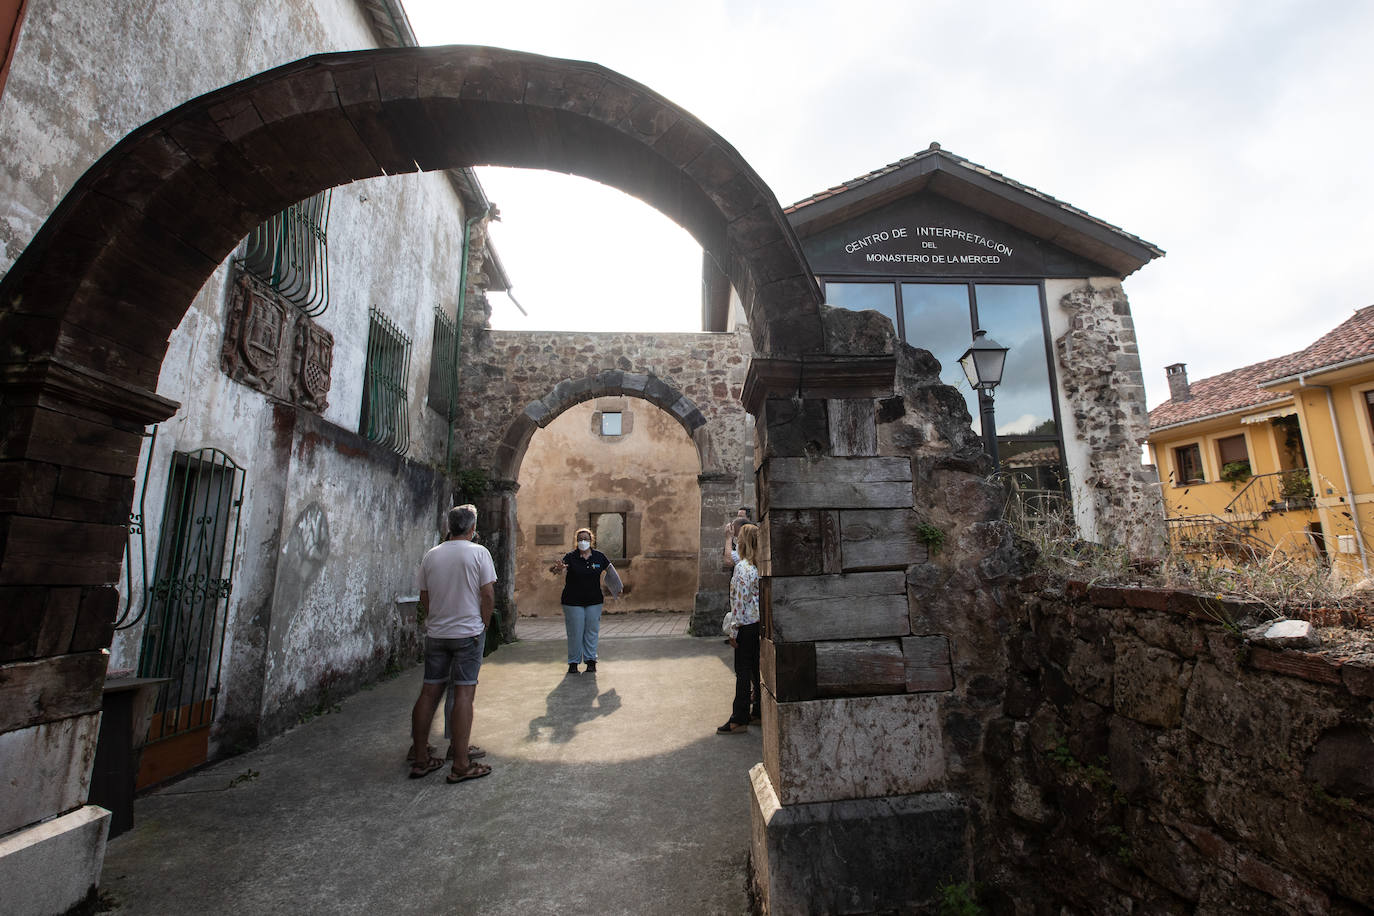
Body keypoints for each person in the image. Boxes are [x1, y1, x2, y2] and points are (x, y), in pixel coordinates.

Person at [409, 504, 495, 783]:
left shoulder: (432, 554)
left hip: (437, 633)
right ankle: (460, 763)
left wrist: (436, 618)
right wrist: (484, 623)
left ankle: (420, 758)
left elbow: (424, 595)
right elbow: (488, 594)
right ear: (472, 528)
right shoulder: (478, 553)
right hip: (468, 633)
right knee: (463, 694)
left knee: (428, 692)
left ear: (449, 526)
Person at [550, 526, 622, 675]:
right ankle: (573, 662)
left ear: (591, 540)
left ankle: (590, 661)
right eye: (580, 539)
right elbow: (557, 570)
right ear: (576, 541)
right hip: (572, 601)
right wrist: (558, 569)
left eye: (586, 539)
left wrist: (617, 588)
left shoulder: (599, 557)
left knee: (591, 631)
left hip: (594, 600)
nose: (583, 541)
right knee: (575, 632)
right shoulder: (570, 557)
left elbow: (610, 570)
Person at [718, 523, 761, 734]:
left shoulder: (742, 568)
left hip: (745, 625)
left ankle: (739, 718)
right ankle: (758, 711)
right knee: (754, 669)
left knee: (742, 672)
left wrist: (733, 632)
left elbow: (739, 604)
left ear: (744, 543)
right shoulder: (757, 567)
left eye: (739, 540)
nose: (737, 542)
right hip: (757, 625)